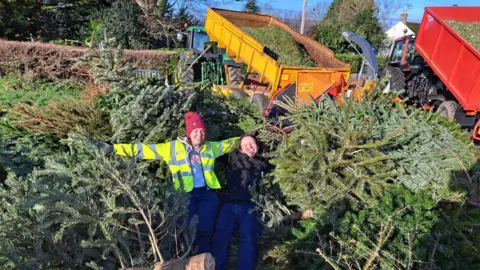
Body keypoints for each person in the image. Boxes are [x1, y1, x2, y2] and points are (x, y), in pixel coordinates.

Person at [107, 112, 239, 255]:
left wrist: (248, 137)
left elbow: (228, 144)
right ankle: (185, 261)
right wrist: (112, 149)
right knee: (185, 231)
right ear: (188, 133)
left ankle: (202, 262)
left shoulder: (210, 147)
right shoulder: (172, 148)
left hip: (208, 194)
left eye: (202, 131)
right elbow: (143, 150)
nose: (199, 135)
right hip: (185, 195)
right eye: (195, 131)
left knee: (205, 230)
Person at [212, 134, 272, 270]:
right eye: (245, 145)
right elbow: (214, 149)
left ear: (258, 146)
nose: (249, 147)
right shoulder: (232, 158)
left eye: (252, 144)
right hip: (229, 205)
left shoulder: (265, 163)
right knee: (221, 239)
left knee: (249, 240)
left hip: (251, 206)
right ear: (239, 149)